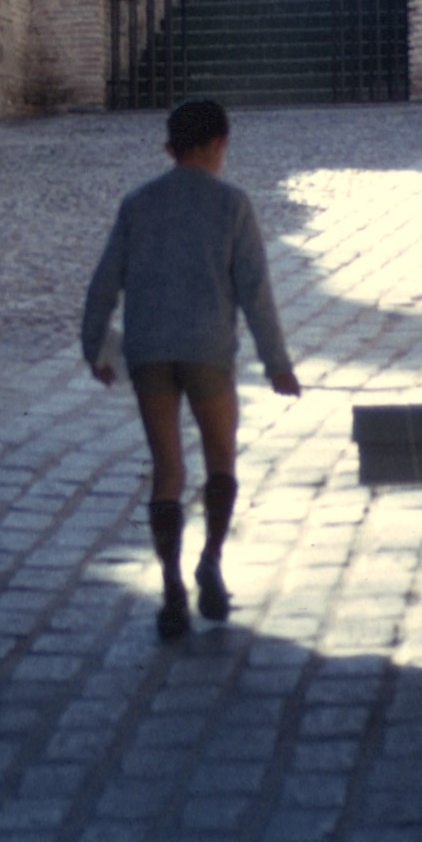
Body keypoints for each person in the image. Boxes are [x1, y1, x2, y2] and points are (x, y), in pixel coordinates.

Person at [82, 97, 301, 640]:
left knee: (168, 470)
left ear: (169, 148)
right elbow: (256, 293)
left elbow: (104, 284)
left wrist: (95, 349)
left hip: (150, 349)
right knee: (220, 457)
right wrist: (277, 364)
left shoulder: (138, 203)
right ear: (220, 145)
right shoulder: (233, 205)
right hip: (208, 350)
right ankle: (210, 562)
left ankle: (171, 587)